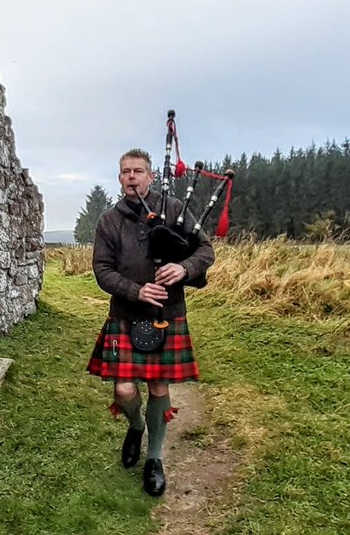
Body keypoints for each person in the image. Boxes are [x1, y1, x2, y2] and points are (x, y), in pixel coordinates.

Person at [86, 148, 215, 497]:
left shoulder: (175, 209)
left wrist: (184, 268)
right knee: (124, 390)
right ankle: (137, 426)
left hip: (167, 315)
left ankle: (154, 459)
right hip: (126, 315)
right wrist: (136, 290)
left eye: (138, 171)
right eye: (125, 171)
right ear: (120, 178)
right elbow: (102, 269)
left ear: (150, 175)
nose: (131, 176)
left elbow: (205, 251)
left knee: (159, 388)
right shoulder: (109, 221)